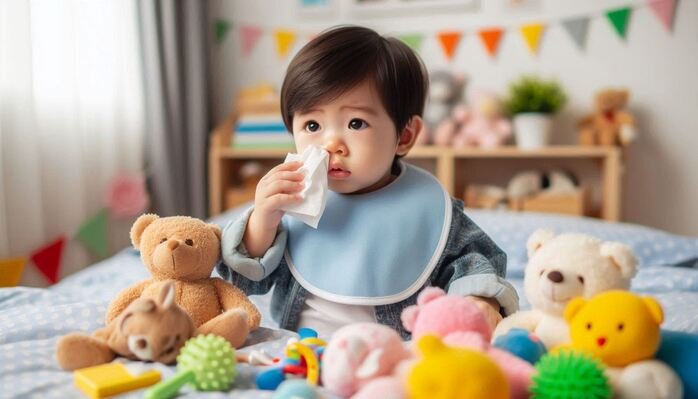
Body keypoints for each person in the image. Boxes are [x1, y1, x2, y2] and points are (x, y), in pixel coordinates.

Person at [218, 25, 518, 338]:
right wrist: (262, 222)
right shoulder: (291, 203)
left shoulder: (424, 204)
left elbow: (472, 262)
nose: (331, 143)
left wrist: (478, 299)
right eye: (312, 125)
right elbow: (245, 283)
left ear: (404, 136)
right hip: (301, 350)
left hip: (396, 353)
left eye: (356, 123)